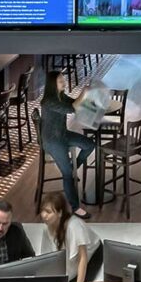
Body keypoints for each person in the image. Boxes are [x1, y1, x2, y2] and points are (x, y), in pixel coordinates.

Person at [39, 69, 98, 216]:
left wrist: (89, 100)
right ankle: (75, 207)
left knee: (90, 144)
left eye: (63, 79)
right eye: (61, 81)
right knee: (67, 175)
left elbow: (74, 103)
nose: (64, 82)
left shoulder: (60, 96)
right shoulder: (48, 102)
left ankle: (73, 168)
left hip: (63, 134)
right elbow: (72, 108)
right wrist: (84, 92)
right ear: (53, 85)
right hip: (52, 140)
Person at [38, 192, 103, 282]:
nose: (44, 215)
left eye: (48, 212)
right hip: (71, 261)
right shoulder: (46, 228)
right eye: (42, 211)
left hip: (93, 255)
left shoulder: (75, 226)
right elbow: (48, 257)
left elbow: (83, 257)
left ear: (60, 213)